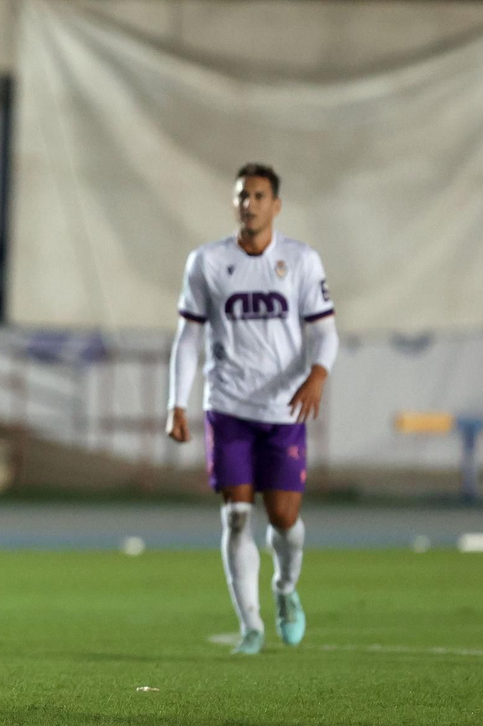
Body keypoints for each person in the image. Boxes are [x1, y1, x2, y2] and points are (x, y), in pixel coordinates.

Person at [165, 163, 338, 655]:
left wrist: (318, 375)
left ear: (276, 205)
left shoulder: (300, 261)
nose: (250, 203)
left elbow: (325, 330)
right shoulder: (207, 261)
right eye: (243, 195)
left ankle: (284, 589)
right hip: (229, 405)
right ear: (234, 202)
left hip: (282, 409)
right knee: (237, 516)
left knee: (284, 518)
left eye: (259, 195)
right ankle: (251, 626)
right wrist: (176, 401)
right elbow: (189, 335)